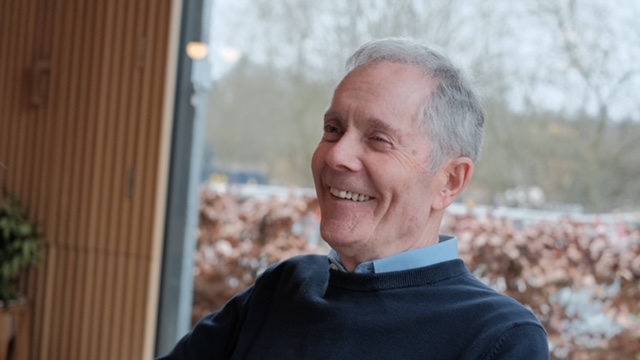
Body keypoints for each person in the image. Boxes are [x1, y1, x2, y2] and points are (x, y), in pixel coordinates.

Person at [157, 37, 549, 359]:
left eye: (379, 140)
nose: (336, 155)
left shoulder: (498, 338)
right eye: (333, 128)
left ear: (450, 181)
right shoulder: (284, 288)